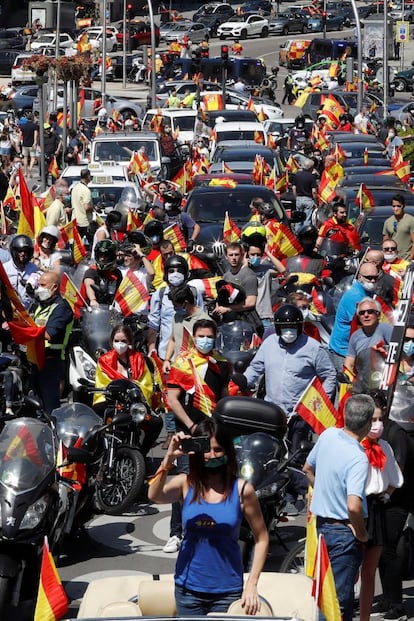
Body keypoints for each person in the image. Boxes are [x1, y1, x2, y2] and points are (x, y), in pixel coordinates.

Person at [148, 417, 269, 615]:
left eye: (218, 450)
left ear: (228, 452)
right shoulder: (185, 484)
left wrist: (252, 584)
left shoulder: (242, 490)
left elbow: (262, 538)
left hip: (227, 592)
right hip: (188, 590)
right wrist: (169, 458)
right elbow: (154, 495)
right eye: (206, 449)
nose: (212, 455)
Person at [303, 393, 375, 621]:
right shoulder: (358, 457)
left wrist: (323, 489)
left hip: (322, 527)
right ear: (368, 422)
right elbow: (354, 506)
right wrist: (362, 534)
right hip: (344, 534)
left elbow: (307, 468)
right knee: (336, 603)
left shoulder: (328, 435)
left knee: (325, 598)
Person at [162, 319, 231, 553]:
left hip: (214, 434)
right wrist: (191, 426)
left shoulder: (221, 364)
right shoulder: (183, 363)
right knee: (185, 478)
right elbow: (172, 399)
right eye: (201, 336)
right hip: (188, 431)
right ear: (194, 337)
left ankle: (211, 527)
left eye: (209, 336)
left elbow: (224, 397)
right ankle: (176, 533)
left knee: (215, 478)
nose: (205, 340)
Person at [244, 304, 336, 457]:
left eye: (292, 327)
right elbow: (255, 367)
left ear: (300, 327)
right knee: (268, 454)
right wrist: (243, 381)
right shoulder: (269, 344)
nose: (289, 331)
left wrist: (320, 400)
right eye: (284, 327)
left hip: (299, 415)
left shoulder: (313, 348)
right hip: (272, 412)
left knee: (296, 456)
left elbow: (329, 374)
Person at [359, 392, 403, 621]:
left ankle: (374, 611)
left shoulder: (387, 443)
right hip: (355, 507)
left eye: (379, 420)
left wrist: (386, 494)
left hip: (380, 508)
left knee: (373, 567)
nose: (376, 425)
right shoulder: (351, 446)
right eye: (371, 420)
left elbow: (397, 476)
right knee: (350, 569)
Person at [94, 324, 162, 455]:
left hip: (135, 405)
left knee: (156, 423)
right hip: (112, 404)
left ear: (130, 342)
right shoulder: (104, 361)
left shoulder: (139, 359)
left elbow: (146, 384)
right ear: (111, 342)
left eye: (123, 341)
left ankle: (142, 453)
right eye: (117, 341)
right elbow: (102, 385)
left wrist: (132, 388)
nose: (120, 344)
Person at [31, 271, 73, 414]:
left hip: (51, 362)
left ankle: (53, 433)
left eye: (43, 285)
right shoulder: (39, 305)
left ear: (54, 287)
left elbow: (49, 334)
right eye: (39, 285)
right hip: (35, 359)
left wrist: (28, 332)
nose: (39, 288)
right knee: (35, 405)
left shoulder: (62, 308)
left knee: (50, 408)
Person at [328, 261, 379, 372]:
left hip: (357, 349)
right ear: (360, 277)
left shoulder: (368, 291)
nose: (373, 281)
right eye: (369, 278)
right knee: (347, 386)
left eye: (376, 277)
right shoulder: (355, 296)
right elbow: (366, 324)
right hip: (343, 352)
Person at [344, 297, 393, 391]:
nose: (366, 315)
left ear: (378, 314)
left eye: (370, 311)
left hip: (385, 383)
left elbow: (398, 355)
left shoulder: (386, 329)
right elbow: (349, 363)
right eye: (362, 313)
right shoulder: (355, 336)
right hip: (365, 385)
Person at [213, 242, 260, 330]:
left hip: (247, 323)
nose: (234, 258)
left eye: (236, 255)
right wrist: (218, 307)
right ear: (226, 257)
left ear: (242, 256)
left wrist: (228, 308)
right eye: (231, 255)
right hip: (229, 323)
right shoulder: (226, 276)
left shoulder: (248, 275)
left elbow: (250, 303)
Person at [82, 239, 123, 307]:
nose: (102, 259)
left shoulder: (117, 273)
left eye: (105, 256)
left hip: (110, 310)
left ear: (112, 257)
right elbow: (89, 285)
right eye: (100, 255)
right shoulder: (91, 271)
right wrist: (93, 300)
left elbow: (119, 291)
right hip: (93, 310)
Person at [4, 235, 39, 310]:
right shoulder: (5, 269)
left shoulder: (35, 269)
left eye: (26, 251)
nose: (23, 254)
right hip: (9, 310)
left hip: (28, 312)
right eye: (19, 250)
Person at [383, 193, 414, 261]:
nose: (396, 208)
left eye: (398, 206)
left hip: (406, 260)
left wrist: (411, 258)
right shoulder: (388, 222)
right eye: (394, 206)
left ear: (403, 206)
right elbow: (385, 242)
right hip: (392, 260)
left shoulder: (411, 220)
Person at [291, 158, 318, 227]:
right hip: (308, 200)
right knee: (307, 219)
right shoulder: (311, 177)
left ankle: (297, 232)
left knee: (298, 219)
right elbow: (314, 191)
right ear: (311, 168)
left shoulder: (297, 175)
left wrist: (296, 198)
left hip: (299, 199)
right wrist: (316, 201)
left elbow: (294, 188)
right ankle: (306, 233)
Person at [71, 168, 93, 239]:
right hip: (84, 222)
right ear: (88, 177)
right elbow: (86, 207)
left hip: (75, 220)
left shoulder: (75, 187)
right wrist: (93, 208)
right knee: (87, 245)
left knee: (77, 244)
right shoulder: (86, 190)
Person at [18, 111, 38, 179]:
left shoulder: (23, 126)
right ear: (32, 118)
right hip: (32, 144)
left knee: (25, 157)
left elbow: (20, 135)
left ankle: (26, 172)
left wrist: (19, 141)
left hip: (25, 143)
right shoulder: (34, 126)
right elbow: (36, 135)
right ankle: (30, 169)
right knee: (32, 158)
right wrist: (35, 142)